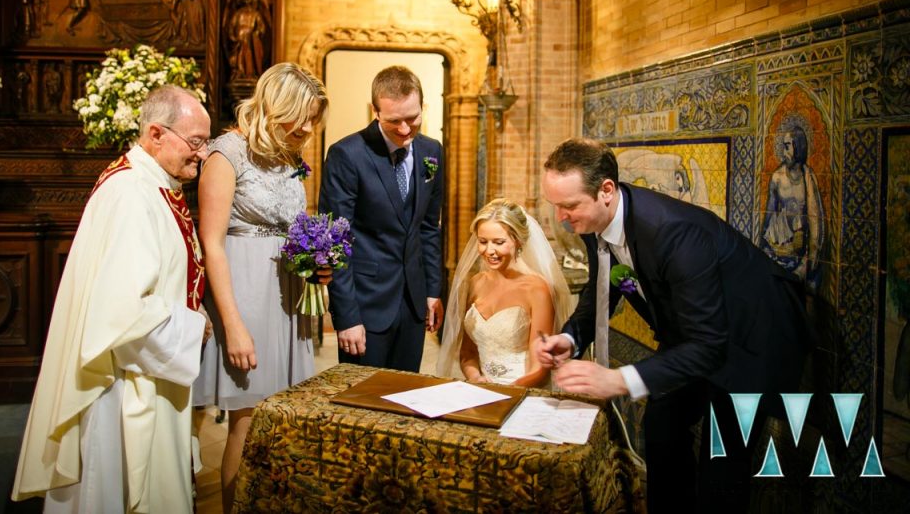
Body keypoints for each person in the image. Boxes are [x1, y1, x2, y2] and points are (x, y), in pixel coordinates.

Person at [535, 137, 812, 514]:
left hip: (749, 339)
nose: (562, 217)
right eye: (556, 206)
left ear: (606, 191)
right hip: (697, 334)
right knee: (662, 427)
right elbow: (607, 287)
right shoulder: (594, 221)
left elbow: (710, 345)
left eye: (569, 206)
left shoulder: (674, 233)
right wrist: (571, 337)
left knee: (724, 457)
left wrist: (618, 380)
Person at [12, 85, 213, 513]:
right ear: (156, 134)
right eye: (196, 142)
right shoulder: (130, 194)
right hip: (121, 383)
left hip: (146, 369)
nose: (202, 153)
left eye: (206, 142)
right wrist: (195, 326)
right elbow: (125, 314)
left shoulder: (151, 183)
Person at [192, 62, 328, 513]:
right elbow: (211, 245)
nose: (309, 127)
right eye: (302, 116)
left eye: (314, 118)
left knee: (285, 418)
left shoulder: (291, 159)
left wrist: (316, 265)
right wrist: (233, 325)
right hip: (244, 297)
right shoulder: (225, 154)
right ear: (275, 107)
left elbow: (295, 228)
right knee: (247, 421)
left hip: (288, 297)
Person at [319, 65, 444, 371]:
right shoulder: (347, 155)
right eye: (393, 121)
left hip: (413, 302)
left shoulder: (432, 151)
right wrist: (347, 316)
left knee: (403, 398)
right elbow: (337, 242)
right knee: (361, 405)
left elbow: (429, 227)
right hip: (366, 304)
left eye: (413, 118)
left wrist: (431, 290)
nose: (404, 129)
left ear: (423, 107)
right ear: (374, 111)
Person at [436, 198, 573, 387]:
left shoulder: (537, 290)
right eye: (483, 242)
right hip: (481, 391)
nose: (489, 250)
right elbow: (468, 354)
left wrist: (507, 393)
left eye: (498, 242)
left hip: (522, 390)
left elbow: (539, 368)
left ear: (517, 241)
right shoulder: (475, 283)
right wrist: (475, 377)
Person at [761, 120, 824, 289]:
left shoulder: (808, 178)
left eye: (788, 146)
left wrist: (809, 260)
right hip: (781, 251)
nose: (784, 152)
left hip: (801, 255)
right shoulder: (777, 178)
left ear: (798, 147)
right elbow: (768, 217)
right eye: (783, 146)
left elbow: (815, 221)